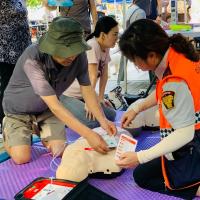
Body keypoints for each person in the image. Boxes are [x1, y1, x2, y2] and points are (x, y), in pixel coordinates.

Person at [2, 16, 117, 165]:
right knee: (21, 157)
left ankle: (38, 131)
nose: (71, 56)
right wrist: (89, 134)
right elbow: (56, 106)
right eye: (64, 51)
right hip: (19, 111)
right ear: (51, 47)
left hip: (45, 110)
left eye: (74, 50)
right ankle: (11, 131)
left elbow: (87, 91)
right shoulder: (32, 59)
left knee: (60, 151)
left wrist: (103, 120)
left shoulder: (80, 56)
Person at [117, 19, 200, 199]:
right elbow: (162, 92)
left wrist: (139, 157)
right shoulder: (176, 54)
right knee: (145, 173)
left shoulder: (175, 81)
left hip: (192, 143)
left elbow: (185, 133)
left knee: (142, 176)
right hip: (192, 136)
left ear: (152, 56)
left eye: (134, 59)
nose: (135, 65)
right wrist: (137, 107)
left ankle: (195, 186)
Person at [61, 16, 118, 128]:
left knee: (111, 114)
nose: (117, 38)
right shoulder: (92, 46)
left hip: (85, 93)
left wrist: (101, 98)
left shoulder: (105, 47)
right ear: (103, 35)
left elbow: (104, 75)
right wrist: (89, 102)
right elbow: (91, 77)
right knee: (93, 123)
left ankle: (75, 113)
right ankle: (63, 116)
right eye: (114, 34)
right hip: (69, 95)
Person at [0, 0, 31, 133]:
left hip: (23, 50)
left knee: (21, 88)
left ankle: (20, 122)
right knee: (7, 88)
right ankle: (5, 124)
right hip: (5, 52)